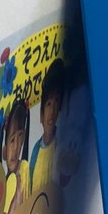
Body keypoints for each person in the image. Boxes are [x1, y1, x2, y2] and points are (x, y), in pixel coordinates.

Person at [29, 58, 65, 192]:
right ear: (41, 114)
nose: (52, 111)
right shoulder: (36, 151)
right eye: (49, 104)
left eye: (56, 103)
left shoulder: (61, 143)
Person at [0, 97, 30, 211]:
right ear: (4, 151)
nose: (16, 147)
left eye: (20, 137)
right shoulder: (1, 184)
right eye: (12, 140)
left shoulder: (24, 172)